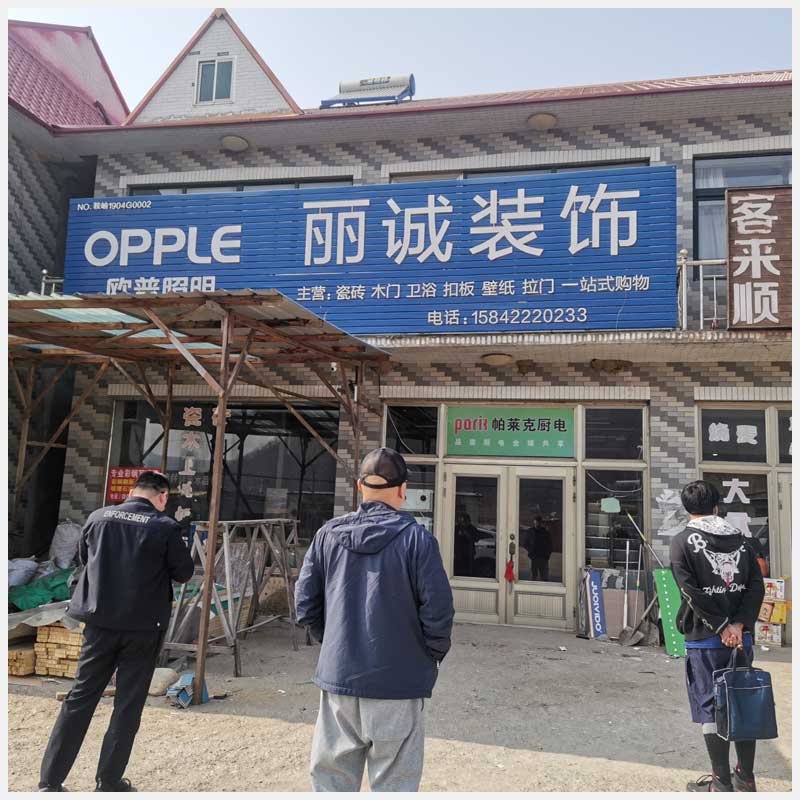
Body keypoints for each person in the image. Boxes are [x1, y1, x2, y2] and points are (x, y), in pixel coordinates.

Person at [295, 447, 454, 792]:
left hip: (339, 681)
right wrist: (428, 657)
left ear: (359, 487)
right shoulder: (418, 540)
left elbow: (305, 605)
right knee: (394, 785)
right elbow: (439, 614)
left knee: (332, 783)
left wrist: (336, 644)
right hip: (399, 684)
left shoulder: (326, 535)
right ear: (403, 490)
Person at [39, 470, 194, 792]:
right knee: (127, 704)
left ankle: (50, 782)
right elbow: (183, 573)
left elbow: (85, 558)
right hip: (142, 628)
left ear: (133, 490)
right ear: (162, 496)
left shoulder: (98, 518)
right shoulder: (165, 527)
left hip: (99, 624)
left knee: (80, 699)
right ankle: (108, 782)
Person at [671, 480, 765, 793]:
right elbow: (756, 586)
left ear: (687, 509)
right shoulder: (743, 542)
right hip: (741, 641)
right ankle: (746, 778)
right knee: (743, 702)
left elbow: (691, 592)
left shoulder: (682, 542)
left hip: (704, 641)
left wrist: (721, 626)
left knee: (710, 708)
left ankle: (721, 782)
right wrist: (738, 625)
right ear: (715, 507)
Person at [523, 516, 553, 581]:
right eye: (536, 522)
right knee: (533, 577)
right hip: (533, 557)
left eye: (538, 522)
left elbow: (550, 545)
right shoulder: (530, 531)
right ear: (534, 522)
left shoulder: (545, 532)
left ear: (541, 522)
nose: (537, 523)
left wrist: (547, 555)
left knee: (544, 577)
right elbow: (525, 543)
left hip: (543, 558)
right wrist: (530, 551)